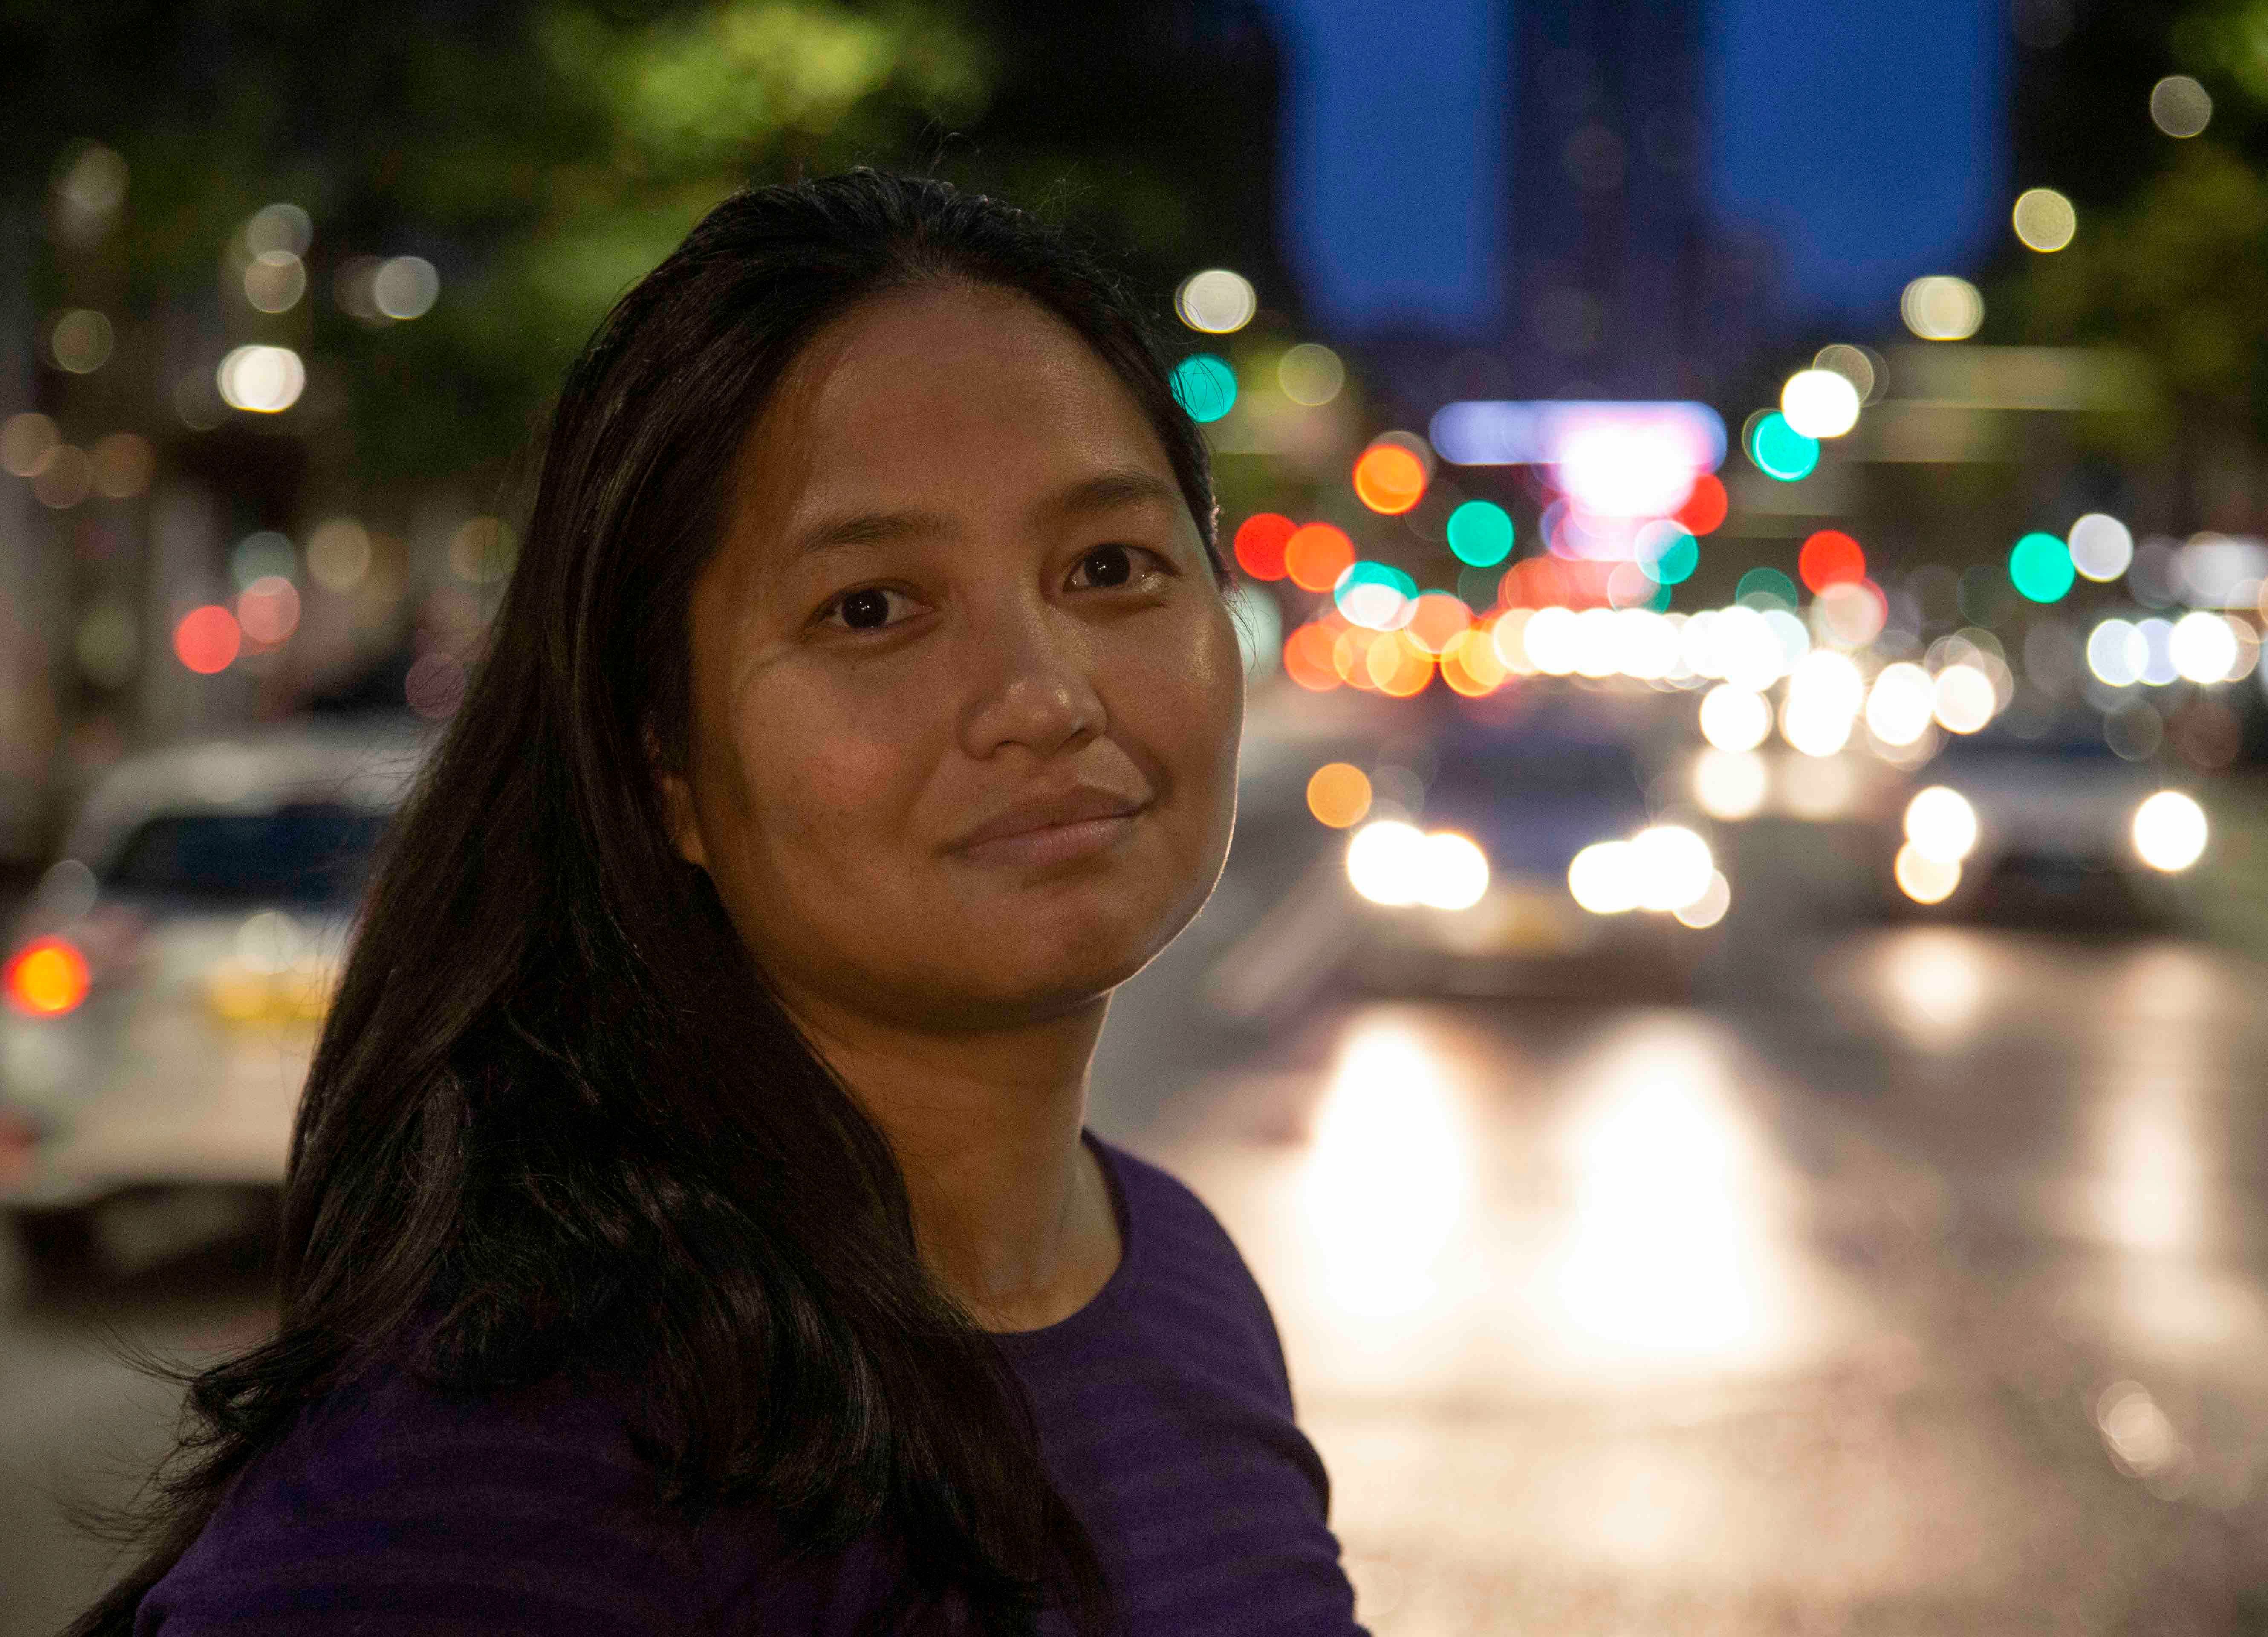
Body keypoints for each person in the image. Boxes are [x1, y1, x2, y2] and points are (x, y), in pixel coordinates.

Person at [71, 171, 1366, 1637]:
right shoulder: (507, 1479)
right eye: (871, 607)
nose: (1044, 697)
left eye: (1111, 568)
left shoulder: (1182, 1286)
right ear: (665, 763)